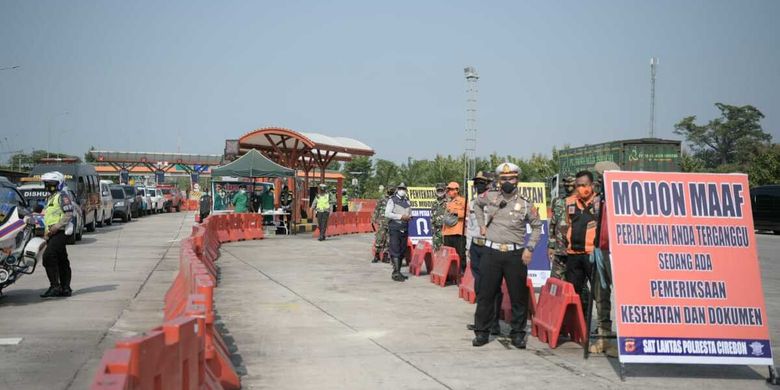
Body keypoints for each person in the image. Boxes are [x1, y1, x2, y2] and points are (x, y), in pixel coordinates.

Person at [472, 162, 542, 348]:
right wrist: (481, 224)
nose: (507, 181)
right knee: (486, 295)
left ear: (517, 179)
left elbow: (537, 227)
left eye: (511, 178)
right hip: (491, 252)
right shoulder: (490, 197)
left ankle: (517, 333)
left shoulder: (526, 204)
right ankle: (482, 332)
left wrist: (530, 248)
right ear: (498, 181)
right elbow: (477, 205)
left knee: (518, 296)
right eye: (503, 179)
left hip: (515, 254)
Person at [590, 161, 620, 356]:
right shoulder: (598, 200)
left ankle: (624, 340)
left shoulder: (623, 199)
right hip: (599, 250)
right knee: (601, 297)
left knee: (622, 298)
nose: (598, 182)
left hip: (616, 253)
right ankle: (604, 338)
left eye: (600, 178)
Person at [466, 171, 501, 334]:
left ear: (488, 184)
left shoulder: (495, 201)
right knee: (479, 286)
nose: (477, 185)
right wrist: (468, 248)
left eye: (481, 182)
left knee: (493, 286)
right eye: (476, 182)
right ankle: (481, 321)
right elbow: (470, 227)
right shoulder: (473, 202)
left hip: (490, 247)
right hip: (475, 247)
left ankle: (494, 323)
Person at [563, 171, 601, 324]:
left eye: (584, 185)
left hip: (592, 254)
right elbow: (567, 224)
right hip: (573, 255)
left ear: (592, 186)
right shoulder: (570, 202)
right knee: (574, 292)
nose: (580, 188)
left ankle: (602, 327)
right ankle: (578, 325)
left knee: (599, 293)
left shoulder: (600, 203)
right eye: (578, 185)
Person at [40, 171, 75, 298]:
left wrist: (56, 227)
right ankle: (65, 288)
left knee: (48, 256)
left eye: (51, 184)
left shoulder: (62, 196)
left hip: (60, 232)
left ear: (58, 184)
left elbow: (68, 214)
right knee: (61, 260)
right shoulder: (50, 198)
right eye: (46, 184)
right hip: (51, 234)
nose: (48, 187)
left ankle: (55, 286)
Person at [547, 175, 575, 280]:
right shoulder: (558, 201)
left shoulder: (581, 202)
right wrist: (551, 245)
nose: (568, 186)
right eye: (566, 184)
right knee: (555, 281)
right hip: (560, 249)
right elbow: (553, 224)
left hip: (575, 250)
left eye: (571, 184)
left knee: (576, 283)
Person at [384, 183, 412, 282]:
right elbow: (387, 214)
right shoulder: (392, 200)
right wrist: (400, 217)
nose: (402, 190)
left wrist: (409, 217)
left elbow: (409, 212)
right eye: (400, 189)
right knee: (395, 249)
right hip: (395, 227)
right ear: (397, 189)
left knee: (402, 250)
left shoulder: (407, 201)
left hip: (404, 227)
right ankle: (396, 272)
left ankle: (398, 271)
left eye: (404, 189)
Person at [442, 181, 467, 274]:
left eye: (451, 189)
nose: (449, 191)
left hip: (458, 232)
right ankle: (450, 273)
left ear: (457, 190)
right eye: (448, 189)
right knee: (448, 255)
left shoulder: (463, 201)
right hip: (447, 232)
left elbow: (468, 213)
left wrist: (456, 212)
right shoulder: (448, 202)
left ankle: (462, 272)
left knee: (461, 254)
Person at [371, 186, 394, 263]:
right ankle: (376, 255)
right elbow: (377, 208)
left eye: (392, 189)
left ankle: (385, 256)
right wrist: (374, 218)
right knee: (379, 239)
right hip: (382, 221)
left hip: (391, 222)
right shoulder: (382, 198)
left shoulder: (395, 199)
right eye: (390, 189)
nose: (391, 191)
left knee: (389, 240)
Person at [430, 183, 447, 251]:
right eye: (438, 191)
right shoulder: (434, 203)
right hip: (436, 230)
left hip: (445, 229)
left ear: (445, 191)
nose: (440, 192)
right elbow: (432, 216)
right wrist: (432, 228)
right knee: (436, 249)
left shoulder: (448, 202)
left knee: (445, 249)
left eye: (441, 191)